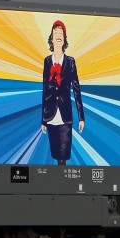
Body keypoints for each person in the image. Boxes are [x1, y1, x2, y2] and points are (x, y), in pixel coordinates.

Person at [41, 20, 84, 165]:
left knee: (63, 157)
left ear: (64, 39)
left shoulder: (70, 62)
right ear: (51, 39)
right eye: (56, 33)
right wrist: (43, 120)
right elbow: (45, 90)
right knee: (55, 155)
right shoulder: (47, 61)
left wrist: (81, 117)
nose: (59, 35)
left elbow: (77, 90)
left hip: (65, 117)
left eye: (61, 33)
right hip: (51, 116)